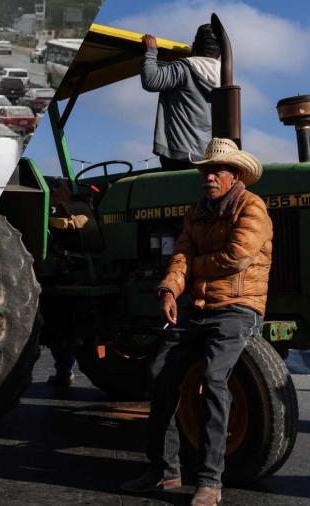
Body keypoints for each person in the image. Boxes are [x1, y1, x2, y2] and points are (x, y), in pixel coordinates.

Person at [120, 138, 271, 506]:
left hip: (238, 306)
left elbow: (235, 257)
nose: (209, 176)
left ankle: (209, 481)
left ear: (235, 174)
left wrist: (192, 271)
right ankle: (164, 472)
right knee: (159, 372)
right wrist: (170, 289)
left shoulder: (253, 208)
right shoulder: (196, 212)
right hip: (197, 308)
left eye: (217, 170)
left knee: (213, 379)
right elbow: (182, 253)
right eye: (205, 170)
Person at [139, 24, 221, 171]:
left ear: (194, 47)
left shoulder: (183, 68)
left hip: (179, 155)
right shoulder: (226, 76)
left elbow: (151, 80)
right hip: (208, 156)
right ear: (219, 53)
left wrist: (150, 52)